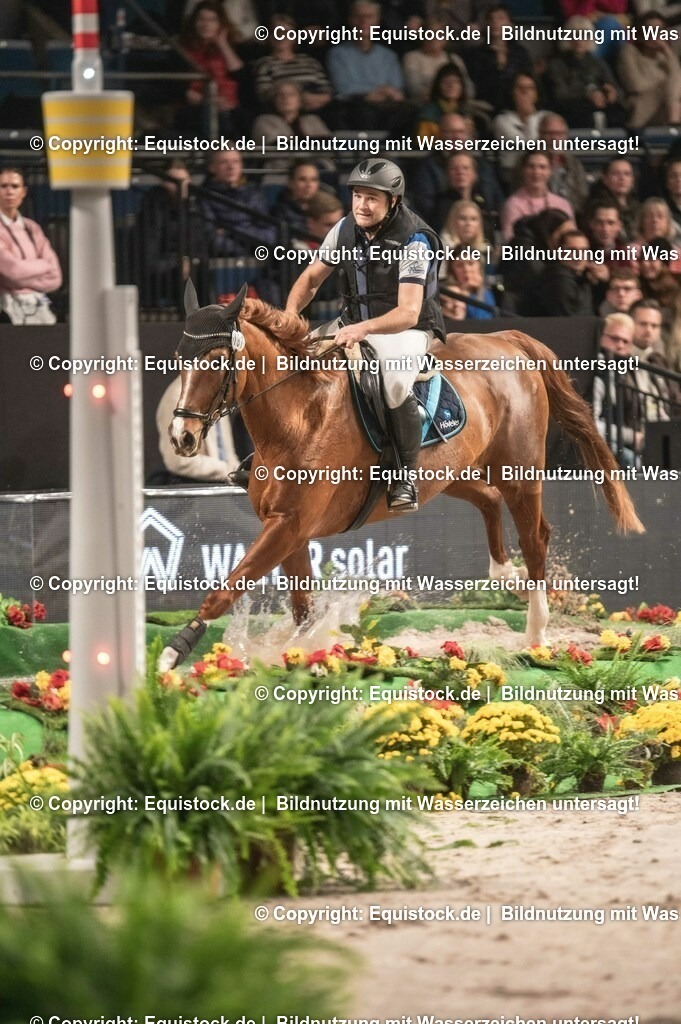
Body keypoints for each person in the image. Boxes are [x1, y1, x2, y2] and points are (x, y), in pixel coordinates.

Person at [285, 158, 446, 512]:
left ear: (393, 201)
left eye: (372, 198)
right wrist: (289, 317)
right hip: (354, 323)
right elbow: (311, 279)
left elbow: (408, 312)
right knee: (292, 363)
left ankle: (404, 476)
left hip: (408, 329)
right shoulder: (344, 229)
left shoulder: (415, 240)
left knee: (393, 383)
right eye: (358, 196)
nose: (362, 205)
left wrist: (362, 329)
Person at [326, 1, 414, 136]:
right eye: (358, 17)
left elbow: (396, 87)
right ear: (350, 20)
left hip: (387, 106)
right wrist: (370, 93)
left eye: (369, 17)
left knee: (409, 111)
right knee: (364, 111)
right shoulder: (337, 54)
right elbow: (343, 87)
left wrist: (383, 93)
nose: (363, 22)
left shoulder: (389, 55)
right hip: (354, 106)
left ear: (377, 21)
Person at [0, 167, 62, 325]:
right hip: (6, 313)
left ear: (23, 192)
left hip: (39, 309)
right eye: (4, 186)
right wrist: (43, 265)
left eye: (15, 186)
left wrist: (18, 281)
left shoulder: (32, 228)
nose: (9, 192)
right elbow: (13, 271)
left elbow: (55, 277)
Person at [154, 375, 240, 485]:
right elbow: (179, 460)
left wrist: (238, 471)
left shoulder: (217, 393)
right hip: (192, 488)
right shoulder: (178, 397)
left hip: (221, 486)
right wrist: (228, 471)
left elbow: (228, 453)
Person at [178, 0, 244, 136]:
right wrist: (210, 101)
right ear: (194, 22)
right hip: (198, 106)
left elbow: (240, 74)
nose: (206, 25)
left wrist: (222, 44)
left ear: (220, 24)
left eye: (212, 20)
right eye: (201, 19)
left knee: (244, 119)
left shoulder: (231, 47)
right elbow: (181, 90)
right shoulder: (183, 50)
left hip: (230, 106)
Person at [544, 18, 625, 129]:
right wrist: (587, 95)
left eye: (584, 36)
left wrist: (611, 93)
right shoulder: (557, 64)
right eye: (575, 35)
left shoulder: (598, 63)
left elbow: (615, 88)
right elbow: (560, 94)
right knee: (580, 111)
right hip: (574, 107)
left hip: (599, 103)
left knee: (618, 112)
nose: (579, 40)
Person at [591, 313, 644, 467]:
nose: (620, 345)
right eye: (614, 339)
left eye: (625, 341)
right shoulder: (595, 374)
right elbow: (592, 425)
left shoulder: (629, 373)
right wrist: (631, 436)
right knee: (632, 461)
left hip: (621, 443)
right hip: (599, 446)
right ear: (600, 337)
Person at [617, 11, 681, 128]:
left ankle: (674, 121)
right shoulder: (629, 51)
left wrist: (668, 53)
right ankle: (674, 122)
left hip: (667, 108)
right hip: (642, 107)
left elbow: (677, 79)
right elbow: (636, 85)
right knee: (673, 86)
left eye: (660, 30)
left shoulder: (665, 57)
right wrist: (665, 86)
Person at [519, 229, 595, 316]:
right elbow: (573, 320)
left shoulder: (582, 277)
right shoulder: (558, 281)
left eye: (584, 251)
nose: (579, 256)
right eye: (572, 251)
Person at [500, 152, 574, 242]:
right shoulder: (512, 205)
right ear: (523, 170)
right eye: (531, 167)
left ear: (550, 171)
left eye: (542, 167)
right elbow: (511, 239)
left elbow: (573, 237)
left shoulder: (562, 204)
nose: (536, 172)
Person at [630, 298, 678, 418]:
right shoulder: (618, 360)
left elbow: (675, 399)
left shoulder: (659, 361)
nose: (649, 330)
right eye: (643, 324)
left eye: (654, 326)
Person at [537, 113, 589, 212]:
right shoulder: (527, 162)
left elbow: (583, 195)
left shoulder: (574, 163)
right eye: (549, 133)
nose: (555, 138)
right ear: (540, 135)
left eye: (559, 134)